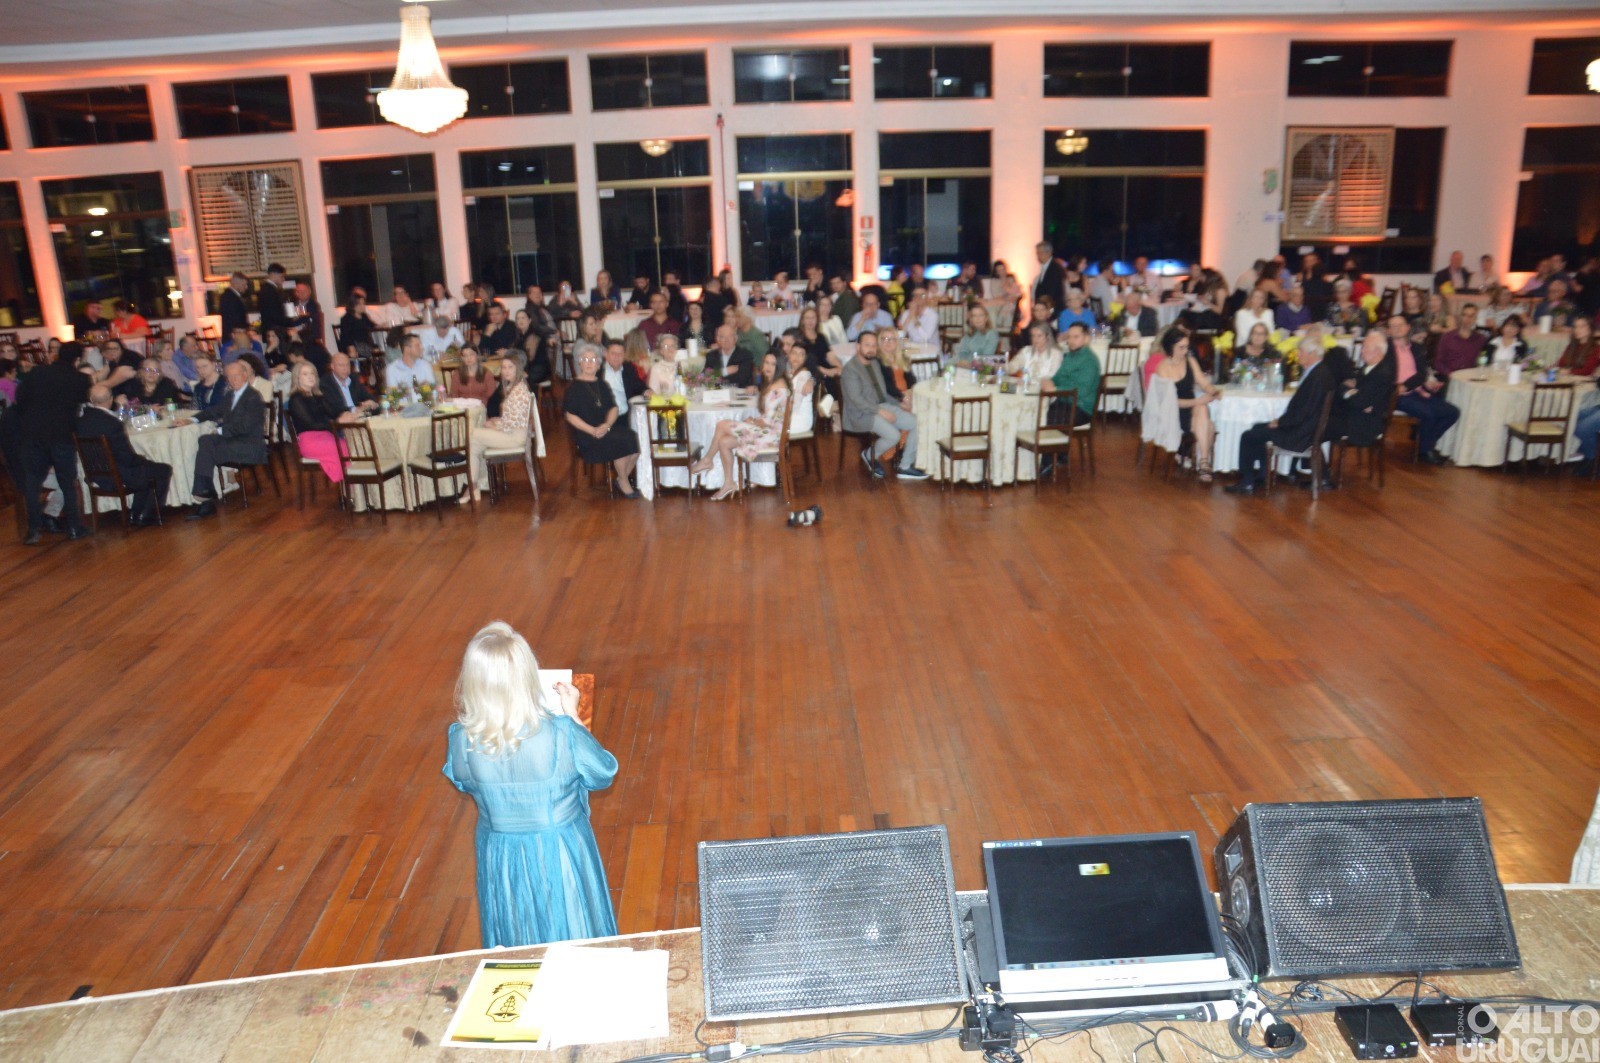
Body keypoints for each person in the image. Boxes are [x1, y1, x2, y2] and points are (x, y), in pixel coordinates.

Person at [443, 622, 618, 948]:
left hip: (500, 854)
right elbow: (603, 772)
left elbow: (463, 781)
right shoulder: (562, 734)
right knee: (574, 933)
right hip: (560, 848)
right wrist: (573, 717)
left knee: (516, 936)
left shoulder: (461, 738)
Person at [1226, 335, 1333, 495]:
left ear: (1312, 353)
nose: (1298, 355)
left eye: (1301, 351)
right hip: (1307, 430)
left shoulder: (1316, 377)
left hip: (1299, 434)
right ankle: (1262, 475)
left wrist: (1280, 423)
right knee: (1258, 428)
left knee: (1249, 435)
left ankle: (1247, 481)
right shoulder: (1322, 372)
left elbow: (1302, 413)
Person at [16, 341, 92, 544]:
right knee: (67, 482)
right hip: (61, 436)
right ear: (78, 359)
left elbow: (19, 398)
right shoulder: (81, 379)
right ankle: (75, 527)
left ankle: (33, 530)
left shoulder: (37, 373)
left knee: (32, 483)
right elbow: (81, 404)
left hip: (32, 435)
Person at [691, 351, 792, 500]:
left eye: (773, 364)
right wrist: (754, 420)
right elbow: (771, 416)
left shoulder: (778, 388)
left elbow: (768, 422)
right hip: (766, 431)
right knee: (723, 442)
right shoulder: (773, 384)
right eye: (766, 363)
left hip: (770, 435)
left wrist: (752, 421)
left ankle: (707, 459)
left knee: (722, 424)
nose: (768, 367)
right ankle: (728, 483)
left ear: (780, 367)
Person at [75, 384, 172, 526]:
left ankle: (136, 513)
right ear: (110, 400)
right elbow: (126, 457)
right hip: (118, 473)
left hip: (95, 474)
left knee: (144, 470)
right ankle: (148, 515)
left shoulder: (80, 423)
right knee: (162, 469)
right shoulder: (112, 423)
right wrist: (142, 460)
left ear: (91, 399)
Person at [183, 361, 267, 520]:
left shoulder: (253, 397)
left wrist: (220, 430)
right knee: (205, 441)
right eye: (230, 377)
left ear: (245, 376)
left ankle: (205, 497)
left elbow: (246, 427)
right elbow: (214, 411)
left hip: (249, 446)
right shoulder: (230, 395)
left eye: (237, 376)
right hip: (233, 442)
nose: (233, 380)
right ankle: (205, 492)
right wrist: (191, 420)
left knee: (207, 446)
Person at [840, 330, 929, 480]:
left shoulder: (875, 363)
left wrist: (900, 405)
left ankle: (905, 466)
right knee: (893, 435)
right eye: (867, 345)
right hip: (861, 413)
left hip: (882, 406)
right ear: (858, 346)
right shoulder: (850, 369)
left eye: (874, 345)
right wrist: (880, 411)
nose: (871, 349)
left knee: (917, 422)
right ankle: (869, 455)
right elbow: (857, 400)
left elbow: (883, 393)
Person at [564, 346, 640, 498]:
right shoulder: (574, 388)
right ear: (579, 364)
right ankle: (624, 482)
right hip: (587, 435)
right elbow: (570, 416)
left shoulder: (602, 385)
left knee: (634, 439)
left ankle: (621, 477)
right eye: (585, 360)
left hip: (604, 429)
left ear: (599, 364)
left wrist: (607, 425)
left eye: (593, 360)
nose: (589, 363)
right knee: (622, 442)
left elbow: (613, 409)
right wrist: (592, 430)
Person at [464, 358, 543, 506]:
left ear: (517, 369)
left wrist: (496, 425)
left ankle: (473, 486)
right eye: (504, 367)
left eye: (510, 367)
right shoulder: (514, 387)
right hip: (513, 432)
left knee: (473, 436)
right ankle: (475, 484)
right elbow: (513, 418)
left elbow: (515, 421)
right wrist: (497, 421)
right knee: (475, 443)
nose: (506, 371)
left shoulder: (519, 390)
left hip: (515, 436)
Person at [1386, 315, 1458, 466]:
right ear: (1388, 331)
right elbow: (1381, 375)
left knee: (1452, 412)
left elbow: (1421, 373)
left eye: (1400, 325)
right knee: (1429, 414)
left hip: (1416, 390)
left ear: (1407, 328)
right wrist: (1398, 387)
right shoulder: (1385, 349)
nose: (1397, 328)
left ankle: (1425, 441)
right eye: (1393, 326)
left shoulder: (1417, 348)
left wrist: (1407, 385)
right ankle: (1425, 450)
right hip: (1396, 395)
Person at [1151, 329, 1221, 483]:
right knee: (1206, 420)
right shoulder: (1163, 368)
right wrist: (1198, 401)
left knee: (1202, 410)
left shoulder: (1190, 361)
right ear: (1171, 347)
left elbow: (1203, 383)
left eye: (1187, 347)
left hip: (1191, 408)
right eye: (1181, 347)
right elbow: (1169, 402)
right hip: (1171, 412)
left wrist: (1213, 391)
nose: (1186, 351)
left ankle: (1202, 461)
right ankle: (1203, 462)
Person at [287, 361, 356, 483]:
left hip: (326, 436)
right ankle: (348, 488)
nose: (310, 376)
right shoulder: (296, 399)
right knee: (345, 448)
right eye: (305, 374)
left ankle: (351, 489)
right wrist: (337, 421)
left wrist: (347, 412)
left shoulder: (317, 396)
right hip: (310, 441)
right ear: (297, 378)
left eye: (312, 373)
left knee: (352, 445)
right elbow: (312, 424)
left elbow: (334, 410)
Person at [1329, 331, 1398, 448]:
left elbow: (1359, 401)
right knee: (1320, 419)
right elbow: (1342, 387)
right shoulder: (1367, 368)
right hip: (1355, 415)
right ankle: (1313, 463)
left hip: (1363, 425)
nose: (1361, 351)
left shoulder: (1382, 373)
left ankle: (1313, 463)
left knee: (1319, 424)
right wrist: (1351, 392)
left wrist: (1350, 393)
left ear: (1377, 351)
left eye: (1365, 347)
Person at [1044, 322, 1101, 428]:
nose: (1070, 341)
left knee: (1042, 419)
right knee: (1035, 413)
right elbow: (1058, 377)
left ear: (1087, 339)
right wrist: (1050, 382)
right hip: (1064, 403)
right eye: (1069, 337)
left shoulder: (1089, 361)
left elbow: (1082, 390)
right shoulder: (1070, 356)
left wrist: (1055, 389)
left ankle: (1052, 444)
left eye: (1076, 337)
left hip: (1081, 408)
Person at [1434, 304, 1488, 377]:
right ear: (1460, 317)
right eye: (1464, 315)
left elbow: (1481, 362)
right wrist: (1450, 374)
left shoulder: (1480, 339)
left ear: (1476, 319)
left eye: (1471, 316)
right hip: (1448, 377)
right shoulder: (1447, 337)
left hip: (1469, 378)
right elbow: (1438, 362)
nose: (1467, 319)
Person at [118, 357, 182, 407]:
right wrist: (148, 409)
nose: (151, 373)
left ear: (160, 373)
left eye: (155, 370)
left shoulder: (167, 384)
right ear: (141, 372)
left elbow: (175, 404)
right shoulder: (132, 385)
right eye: (148, 370)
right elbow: (129, 406)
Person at [704, 324, 752, 388]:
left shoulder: (745, 355)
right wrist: (724, 371)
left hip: (737, 394)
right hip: (716, 394)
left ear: (736, 338)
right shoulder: (711, 356)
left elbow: (742, 379)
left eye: (730, 336)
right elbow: (706, 378)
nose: (726, 340)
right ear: (717, 339)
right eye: (722, 337)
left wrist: (716, 375)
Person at [258, 264, 291, 343]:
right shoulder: (269, 290)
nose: (283, 279)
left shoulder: (267, 288)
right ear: (273, 274)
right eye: (281, 276)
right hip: (274, 331)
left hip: (272, 329)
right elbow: (274, 314)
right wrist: (289, 322)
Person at [1031, 241, 1066, 315]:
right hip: (1045, 307)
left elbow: (1052, 292)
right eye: (1037, 253)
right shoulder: (1046, 267)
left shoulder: (1055, 269)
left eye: (1041, 253)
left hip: (1052, 309)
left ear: (1049, 253)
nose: (1038, 255)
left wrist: (1045, 309)